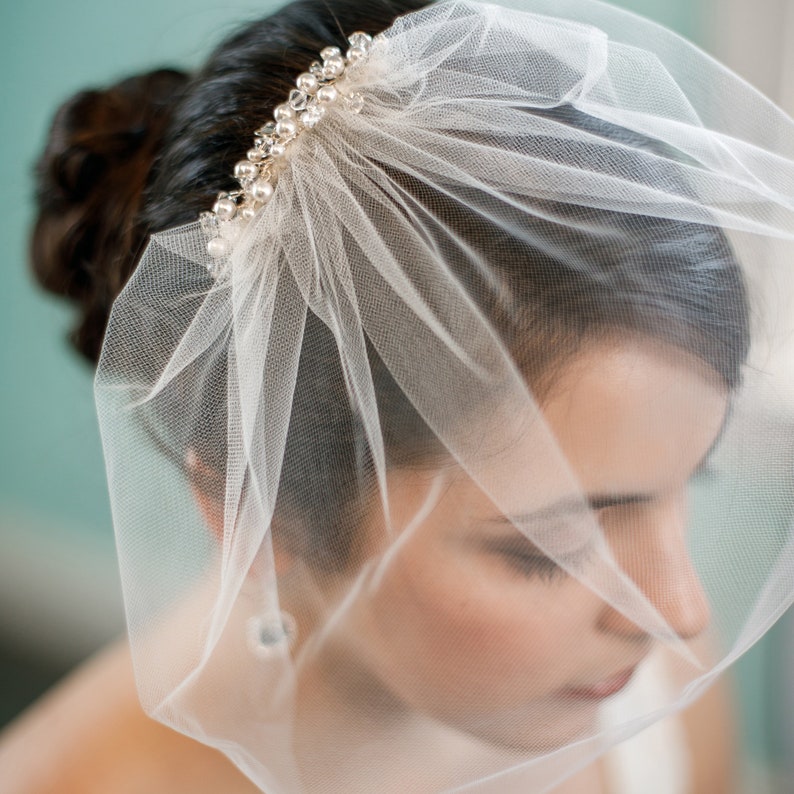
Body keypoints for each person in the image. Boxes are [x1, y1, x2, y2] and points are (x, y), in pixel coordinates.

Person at [4, 0, 794, 791]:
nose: (681, 611)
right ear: (256, 510)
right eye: (551, 548)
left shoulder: (649, 685)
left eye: (686, 481)